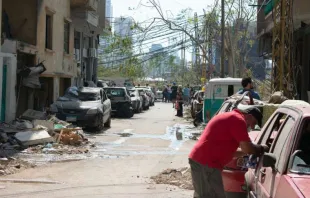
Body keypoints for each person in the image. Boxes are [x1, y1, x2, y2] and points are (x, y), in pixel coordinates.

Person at [188, 106, 268, 198]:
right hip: (206, 163)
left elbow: (231, 152)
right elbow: (248, 148)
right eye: (253, 123)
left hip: (204, 161)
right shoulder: (238, 120)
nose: (252, 127)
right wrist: (261, 148)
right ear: (249, 116)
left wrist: (246, 152)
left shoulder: (232, 118)